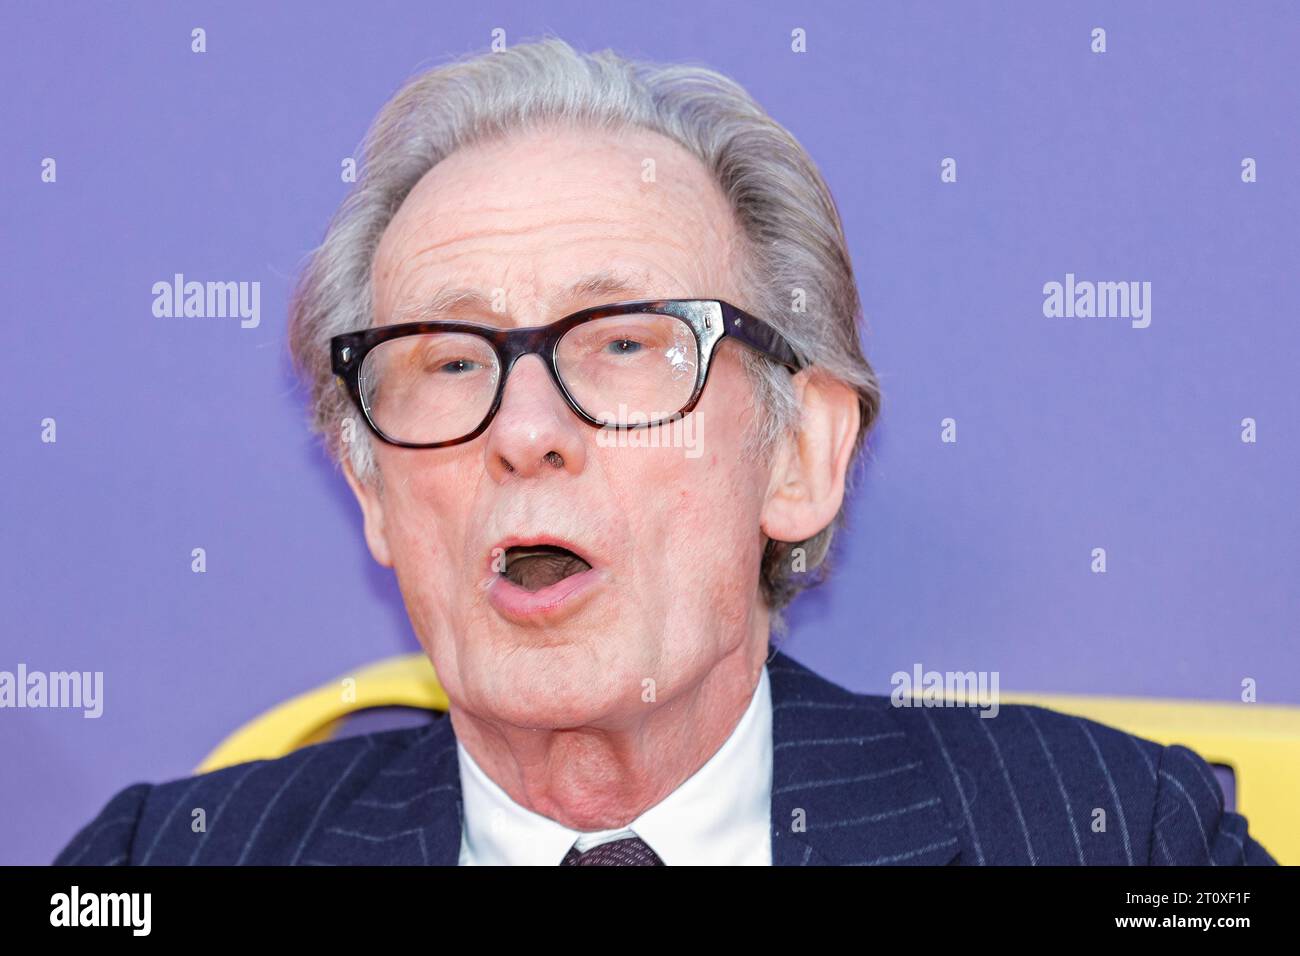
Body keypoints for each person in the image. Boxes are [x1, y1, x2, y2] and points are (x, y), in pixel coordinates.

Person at [55, 38, 1275, 866]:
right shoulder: (157, 862)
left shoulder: (1115, 835)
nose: (526, 433)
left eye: (624, 345)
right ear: (371, 489)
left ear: (799, 455)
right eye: (446, 360)